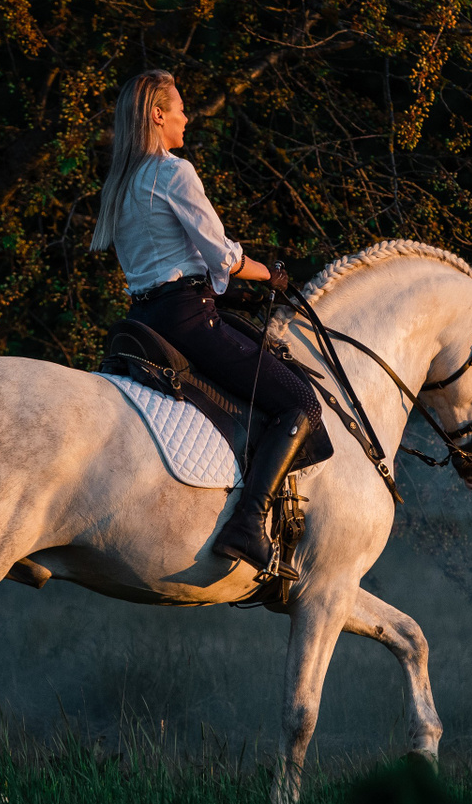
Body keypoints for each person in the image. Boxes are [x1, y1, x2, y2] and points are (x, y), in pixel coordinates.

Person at [89, 69, 331, 573]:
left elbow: (170, 264)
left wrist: (225, 290)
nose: (187, 117)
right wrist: (271, 274)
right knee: (303, 402)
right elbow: (221, 254)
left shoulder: (121, 184)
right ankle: (248, 522)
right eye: (180, 109)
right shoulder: (174, 172)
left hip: (145, 319)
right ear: (158, 115)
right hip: (187, 320)